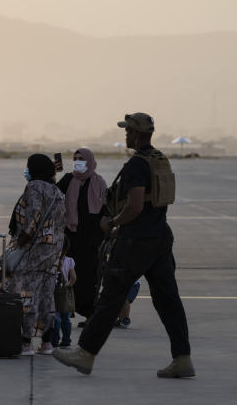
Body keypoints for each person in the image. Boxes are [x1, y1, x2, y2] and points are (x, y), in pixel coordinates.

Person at [56, 113, 194, 378]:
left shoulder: (137, 165)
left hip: (136, 240)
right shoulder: (159, 159)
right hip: (160, 236)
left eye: (128, 131)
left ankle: (85, 353)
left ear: (137, 133)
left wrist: (114, 224)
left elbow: (135, 205)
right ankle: (182, 357)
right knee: (168, 300)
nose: (126, 135)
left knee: (110, 297)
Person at [5, 154, 65, 356]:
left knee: (26, 293)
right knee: (47, 295)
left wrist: (22, 239)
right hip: (53, 249)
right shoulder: (57, 191)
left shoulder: (34, 187)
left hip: (35, 249)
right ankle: (47, 342)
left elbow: (34, 216)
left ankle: (26, 342)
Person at [58, 148, 107, 324]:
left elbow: (105, 210)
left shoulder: (99, 182)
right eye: (75, 158)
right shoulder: (68, 179)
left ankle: (90, 315)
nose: (77, 161)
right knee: (68, 276)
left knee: (89, 278)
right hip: (70, 237)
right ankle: (66, 310)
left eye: (81, 159)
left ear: (89, 161)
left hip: (91, 239)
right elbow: (54, 195)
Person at [53, 239, 77, 348]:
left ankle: (54, 340)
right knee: (66, 319)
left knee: (56, 317)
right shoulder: (69, 260)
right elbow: (73, 278)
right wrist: (67, 286)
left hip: (54, 292)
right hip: (65, 294)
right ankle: (66, 341)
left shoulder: (53, 260)